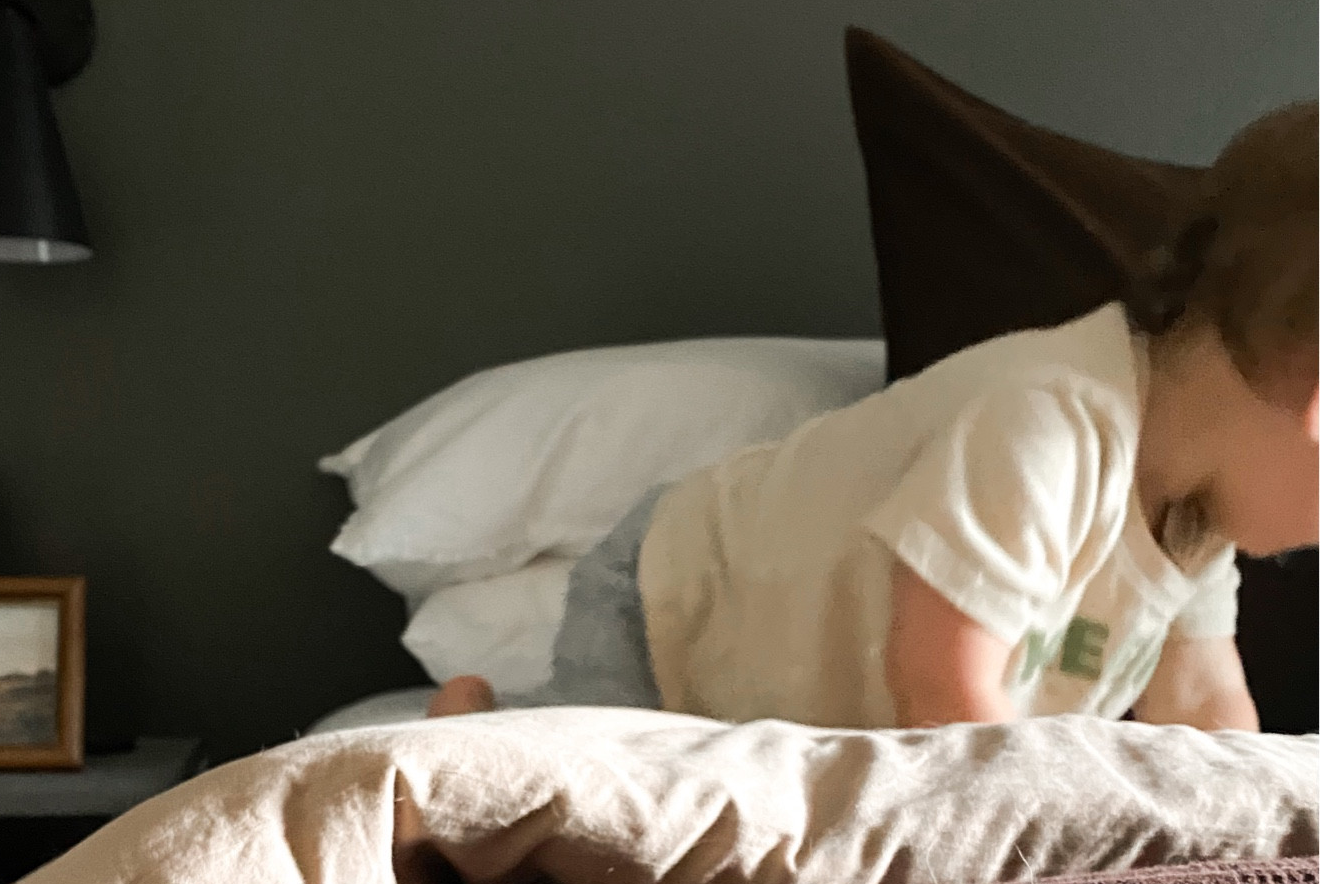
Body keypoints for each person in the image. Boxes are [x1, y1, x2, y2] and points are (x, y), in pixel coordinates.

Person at [429, 101, 1317, 734]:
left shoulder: (1195, 519)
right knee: (582, 811)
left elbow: (1203, 707)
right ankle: (471, 727)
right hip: (682, 608)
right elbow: (945, 695)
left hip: (811, 706)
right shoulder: (1042, 425)